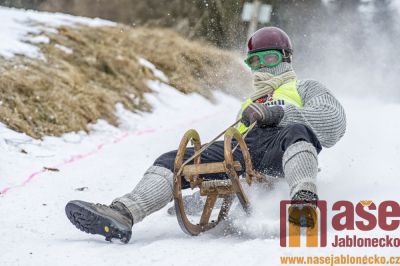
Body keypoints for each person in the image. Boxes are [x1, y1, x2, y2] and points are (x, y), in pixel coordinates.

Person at [65, 27, 346, 243]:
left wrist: (277, 114)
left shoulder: (305, 88)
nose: (262, 67)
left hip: (283, 146)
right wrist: (205, 188)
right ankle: (124, 212)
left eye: (269, 58)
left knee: (297, 132)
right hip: (246, 150)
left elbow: (333, 122)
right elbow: (234, 157)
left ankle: (304, 205)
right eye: (254, 62)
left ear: (286, 58)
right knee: (173, 159)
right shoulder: (248, 103)